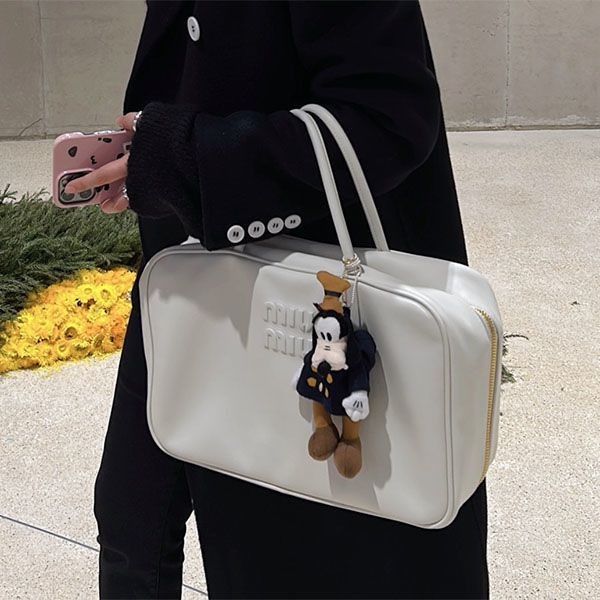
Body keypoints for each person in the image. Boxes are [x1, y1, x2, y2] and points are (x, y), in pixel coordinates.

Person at [66, 1, 489, 598]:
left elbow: (388, 116)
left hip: (321, 297)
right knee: (131, 518)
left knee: (298, 539)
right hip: (190, 276)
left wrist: (187, 159)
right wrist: (152, 165)